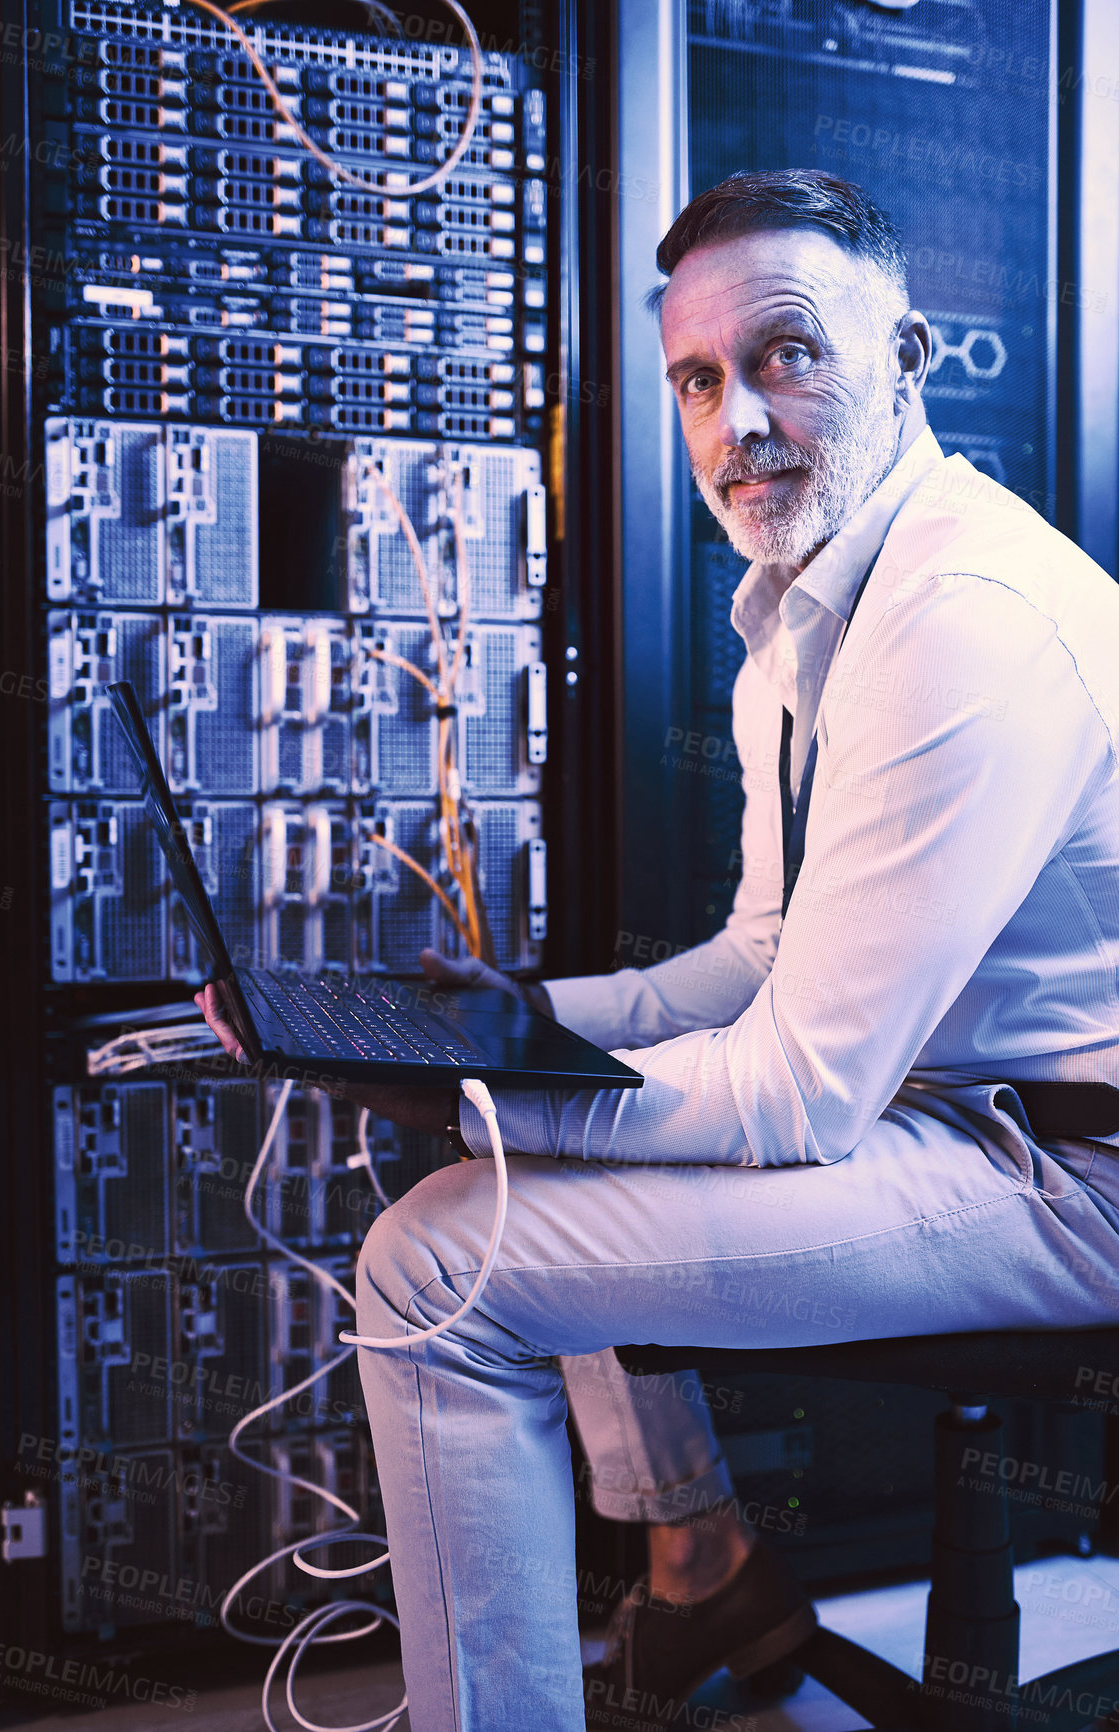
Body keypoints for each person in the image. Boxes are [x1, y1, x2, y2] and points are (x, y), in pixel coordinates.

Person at [198, 169, 1119, 1732]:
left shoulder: (963, 614)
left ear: (904, 359)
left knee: (437, 1260)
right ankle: (696, 1558)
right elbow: (760, 959)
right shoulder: (807, 606)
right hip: (954, 1116)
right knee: (514, 1178)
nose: (735, 420)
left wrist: (490, 1100)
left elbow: (798, 1092)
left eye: (784, 357)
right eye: (698, 377)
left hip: (1072, 1177)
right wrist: (516, 1021)